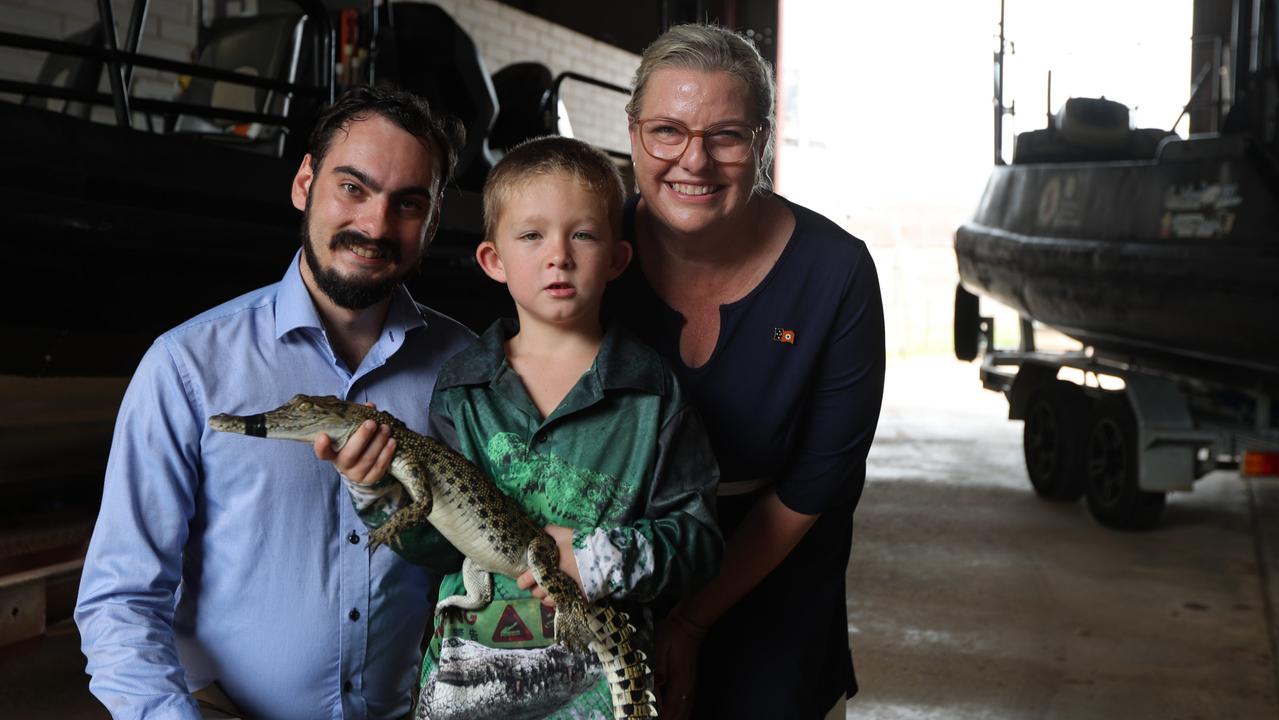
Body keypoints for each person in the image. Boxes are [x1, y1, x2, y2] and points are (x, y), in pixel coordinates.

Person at [74, 86, 476, 720]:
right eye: (353, 187)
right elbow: (120, 600)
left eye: (407, 203)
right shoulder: (187, 367)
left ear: (432, 219)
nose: (374, 225)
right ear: (304, 183)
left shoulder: (469, 371)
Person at [322, 136, 723, 719]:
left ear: (616, 257)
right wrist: (378, 492)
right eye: (532, 236)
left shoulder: (653, 392)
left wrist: (595, 557)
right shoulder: (463, 389)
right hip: (467, 688)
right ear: (494, 260)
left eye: (582, 234)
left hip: (594, 697)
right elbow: (440, 545)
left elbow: (700, 544)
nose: (558, 255)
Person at [608, 23, 887, 720]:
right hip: (611, 575)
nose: (692, 162)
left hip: (773, 577)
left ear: (761, 140)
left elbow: (814, 483)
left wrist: (691, 623)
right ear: (633, 130)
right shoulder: (584, 249)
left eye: (725, 136)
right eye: (666, 131)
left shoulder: (836, 273)